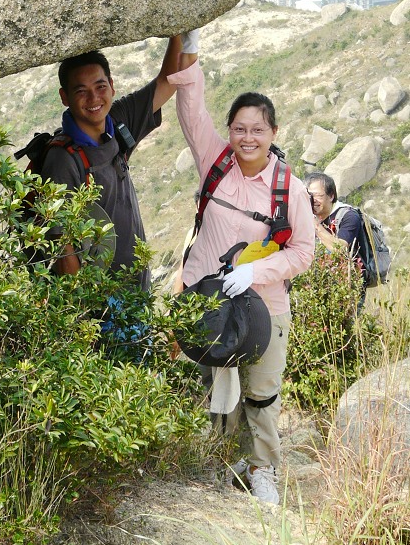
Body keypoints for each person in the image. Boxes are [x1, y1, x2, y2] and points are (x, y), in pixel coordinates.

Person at [167, 29, 315, 505]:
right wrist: (187, 43)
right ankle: (219, 463)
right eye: (239, 128)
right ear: (229, 131)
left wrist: (256, 272)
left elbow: (303, 253)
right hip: (205, 299)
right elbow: (191, 110)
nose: (247, 138)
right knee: (211, 387)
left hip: (264, 304)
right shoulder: (216, 163)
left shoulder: (289, 188)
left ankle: (261, 470)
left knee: (262, 391)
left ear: (273, 133)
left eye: (258, 130)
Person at [42, 37, 181, 290]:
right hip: (102, 302)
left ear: (112, 86)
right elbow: (63, 246)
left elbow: (168, 81)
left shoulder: (117, 121)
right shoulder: (63, 160)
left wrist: (181, 34)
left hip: (137, 290)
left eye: (100, 86)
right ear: (64, 97)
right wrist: (84, 307)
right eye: (81, 91)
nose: (94, 98)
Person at [304, 171, 367, 306]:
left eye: (319, 195)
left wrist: (315, 225)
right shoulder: (306, 217)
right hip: (316, 286)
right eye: (310, 195)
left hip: (348, 287)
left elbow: (339, 249)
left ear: (331, 195)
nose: (313, 200)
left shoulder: (349, 216)